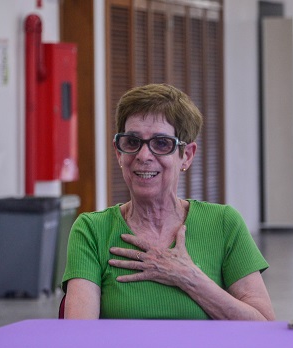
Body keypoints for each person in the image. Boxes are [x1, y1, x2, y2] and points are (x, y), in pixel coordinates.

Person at [62, 83, 275, 320]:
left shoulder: (224, 223)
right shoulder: (92, 230)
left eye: (162, 143)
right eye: (132, 142)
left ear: (187, 155)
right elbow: (79, 333)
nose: (143, 156)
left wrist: (190, 278)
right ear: (118, 152)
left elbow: (264, 325)